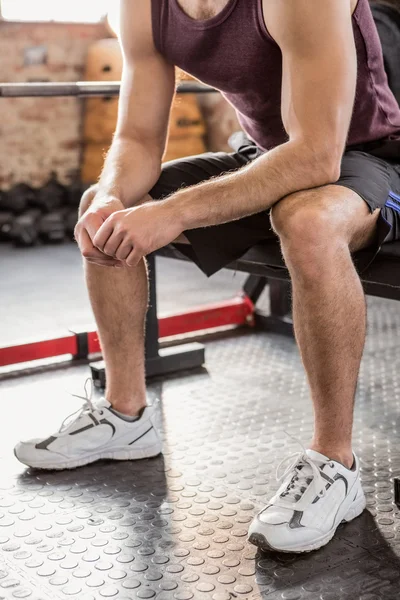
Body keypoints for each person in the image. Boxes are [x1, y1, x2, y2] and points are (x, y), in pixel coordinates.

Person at [15, 0, 400, 553]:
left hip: (365, 157)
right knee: (107, 210)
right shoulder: (144, 6)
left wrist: (172, 214)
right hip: (262, 155)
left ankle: (334, 465)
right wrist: (110, 196)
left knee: (308, 221)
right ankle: (126, 415)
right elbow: (138, 139)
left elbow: (316, 155)